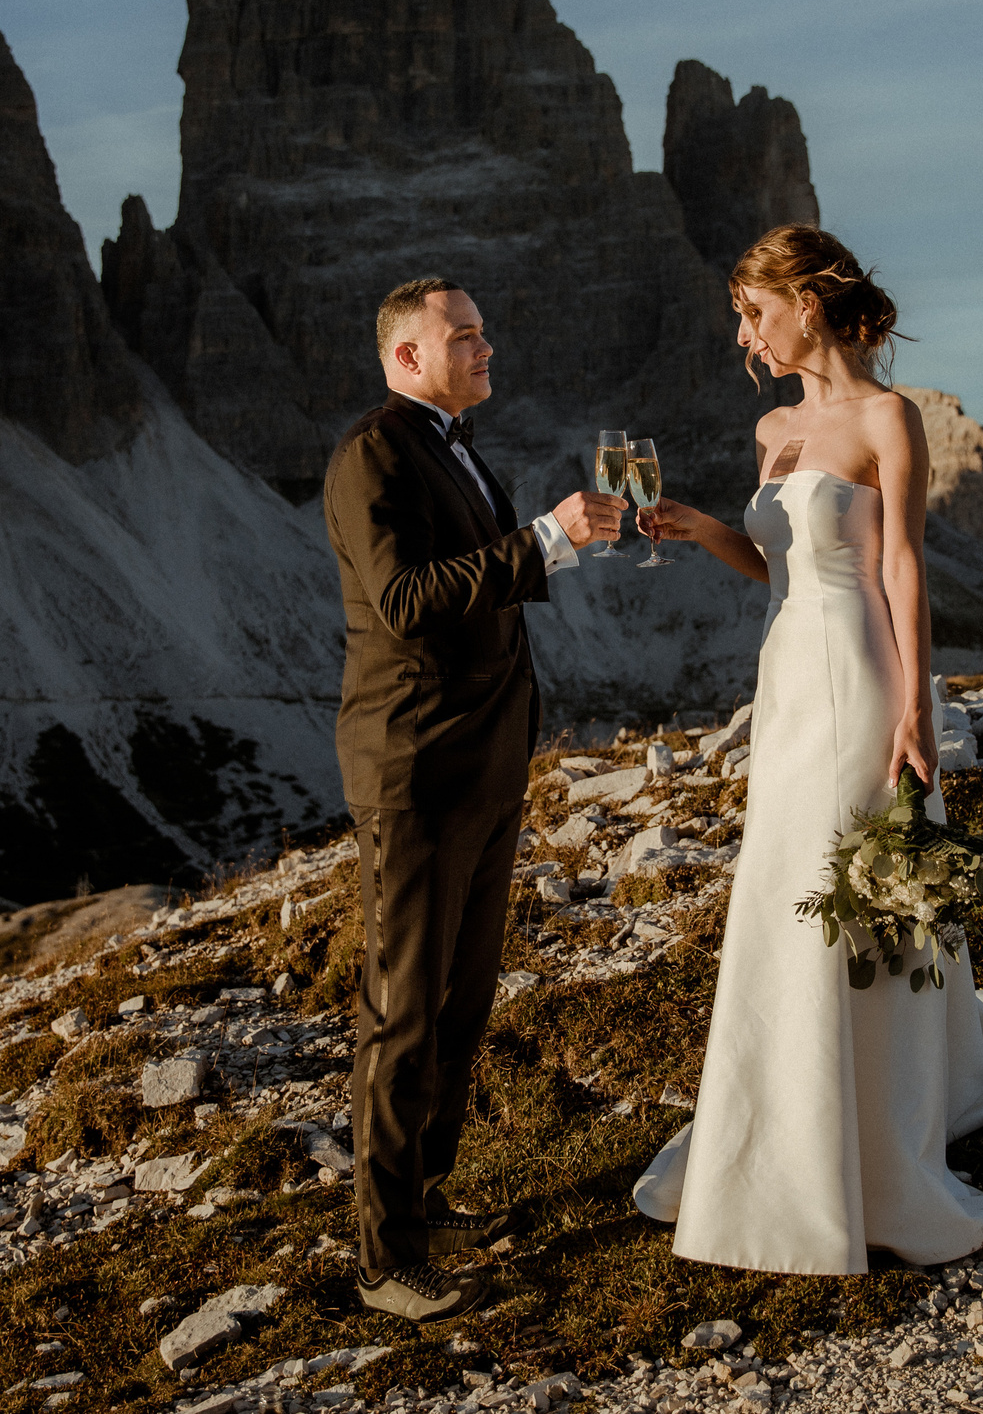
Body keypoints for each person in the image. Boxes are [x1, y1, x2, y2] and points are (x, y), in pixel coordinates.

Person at [627, 225, 983, 1274]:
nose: (744, 336)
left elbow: (900, 564)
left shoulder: (887, 418)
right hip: (785, 684)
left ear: (807, 305)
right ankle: (788, 1117)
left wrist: (915, 707)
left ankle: (876, 1135)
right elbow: (776, 566)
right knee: (785, 886)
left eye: (753, 313)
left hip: (859, 678)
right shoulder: (771, 428)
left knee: (857, 885)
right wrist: (701, 529)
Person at [322, 277, 626, 1320]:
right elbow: (405, 602)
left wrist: (564, 546)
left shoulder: (453, 445)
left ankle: (426, 1198)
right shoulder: (373, 455)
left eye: (484, 331)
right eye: (463, 335)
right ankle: (384, 1260)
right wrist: (544, 539)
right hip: (414, 771)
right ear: (405, 357)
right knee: (403, 1010)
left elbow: (478, 584)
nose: (485, 346)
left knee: (461, 1001)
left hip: (483, 767)